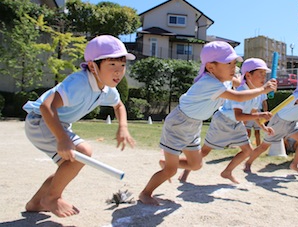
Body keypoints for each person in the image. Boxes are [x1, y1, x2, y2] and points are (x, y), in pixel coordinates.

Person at [138, 41, 277, 205]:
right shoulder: (209, 83)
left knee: (195, 165)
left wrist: (248, 81)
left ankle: (167, 162)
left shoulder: (223, 79)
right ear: (211, 67)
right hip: (179, 123)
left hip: (194, 124)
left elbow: (239, 82)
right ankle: (145, 193)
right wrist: (263, 89)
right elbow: (239, 97)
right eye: (228, 63)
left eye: (234, 63)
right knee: (171, 170)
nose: (233, 67)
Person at [22, 35, 136, 217]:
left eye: (122, 66)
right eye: (112, 65)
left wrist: (123, 127)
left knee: (69, 166)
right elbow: (47, 106)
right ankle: (52, 197)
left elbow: (119, 105)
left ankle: (36, 202)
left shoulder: (107, 89)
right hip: (40, 120)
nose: (119, 72)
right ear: (92, 66)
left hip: (55, 122)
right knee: (84, 152)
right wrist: (62, 138)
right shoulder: (79, 83)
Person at [178, 58, 274, 184]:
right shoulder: (241, 90)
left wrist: (263, 127)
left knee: (248, 151)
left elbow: (253, 113)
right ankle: (186, 171)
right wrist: (260, 115)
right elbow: (239, 115)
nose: (263, 77)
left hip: (236, 123)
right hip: (223, 121)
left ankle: (227, 172)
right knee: (206, 150)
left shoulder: (258, 93)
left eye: (264, 74)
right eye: (260, 73)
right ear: (248, 75)